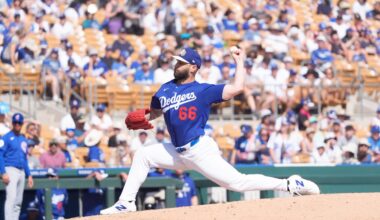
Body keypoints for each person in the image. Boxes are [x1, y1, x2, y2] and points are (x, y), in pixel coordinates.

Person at [100, 47, 320, 215]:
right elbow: (157, 112)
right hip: (177, 152)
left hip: (199, 150)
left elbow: (237, 88)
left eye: (181, 62)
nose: (176, 65)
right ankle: (125, 203)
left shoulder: (203, 90)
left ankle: (290, 184)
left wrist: (239, 61)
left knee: (237, 183)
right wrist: (146, 117)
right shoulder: (164, 89)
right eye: (176, 61)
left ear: (194, 67)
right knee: (143, 155)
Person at [0, 113, 34, 220]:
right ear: (12, 123)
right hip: (10, 169)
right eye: (15, 122)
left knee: (18, 201)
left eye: (19, 123)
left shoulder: (23, 139)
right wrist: (3, 172)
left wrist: (29, 175)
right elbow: (0, 155)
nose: (17, 124)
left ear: (22, 124)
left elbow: (24, 159)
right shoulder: (6, 137)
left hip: (21, 171)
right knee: (11, 198)